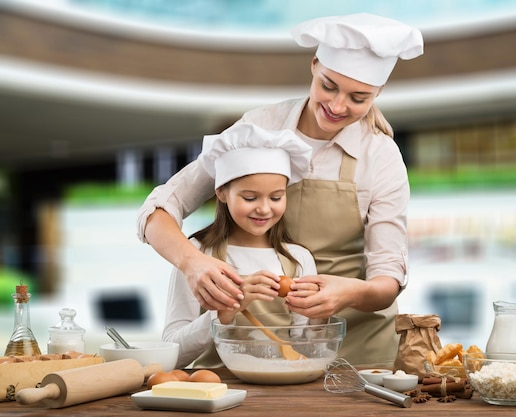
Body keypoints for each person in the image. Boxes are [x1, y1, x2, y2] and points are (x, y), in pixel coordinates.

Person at [137, 13, 424, 367]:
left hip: (357, 350)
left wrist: (350, 292)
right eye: (329, 86)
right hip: (247, 351)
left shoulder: (380, 155)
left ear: (377, 93)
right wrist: (193, 263)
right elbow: (159, 210)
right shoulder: (259, 128)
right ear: (314, 65)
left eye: (358, 98)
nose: (336, 107)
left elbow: (388, 278)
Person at [162, 123, 319, 368]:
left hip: (282, 392)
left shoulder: (299, 259)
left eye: (276, 197)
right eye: (250, 198)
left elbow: (303, 347)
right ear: (222, 192)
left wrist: (318, 313)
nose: (265, 208)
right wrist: (223, 312)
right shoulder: (199, 254)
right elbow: (172, 354)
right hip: (215, 390)